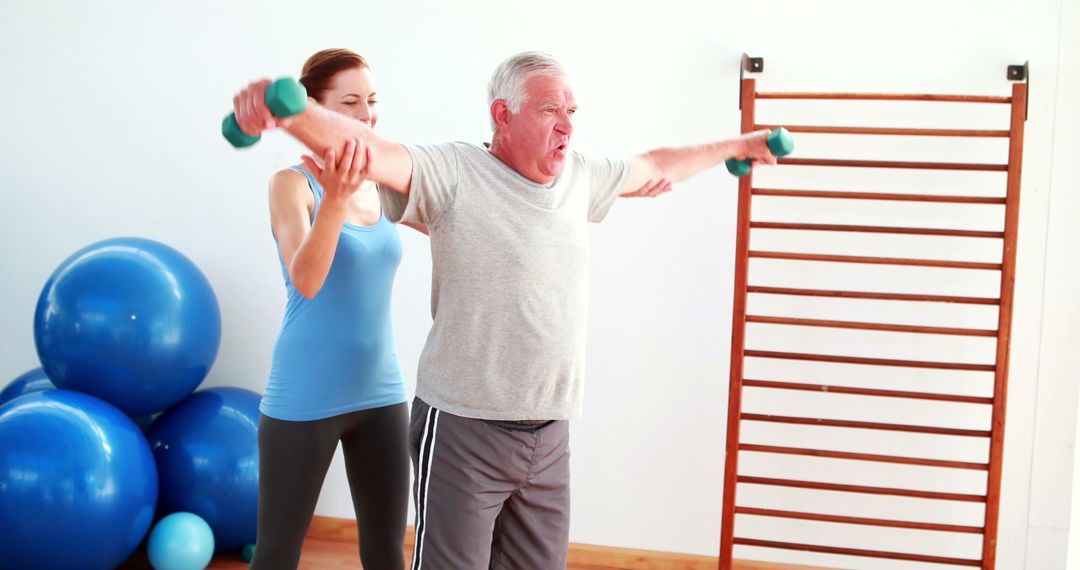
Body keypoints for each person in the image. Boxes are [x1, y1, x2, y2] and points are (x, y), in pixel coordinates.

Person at [232, 50, 776, 570]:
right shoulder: (452, 172)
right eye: (548, 110)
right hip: (463, 425)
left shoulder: (580, 176)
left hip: (549, 428)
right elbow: (374, 155)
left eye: (571, 112)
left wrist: (739, 145)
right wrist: (289, 111)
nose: (566, 126)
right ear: (503, 115)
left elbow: (653, 164)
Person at [249, 48, 417, 570]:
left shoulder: (386, 182)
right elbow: (306, 279)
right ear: (315, 113)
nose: (367, 114)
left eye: (371, 100)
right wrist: (337, 199)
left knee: (387, 551)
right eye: (350, 102)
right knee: (277, 553)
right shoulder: (291, 185)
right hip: (305, 394)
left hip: (382, 391)